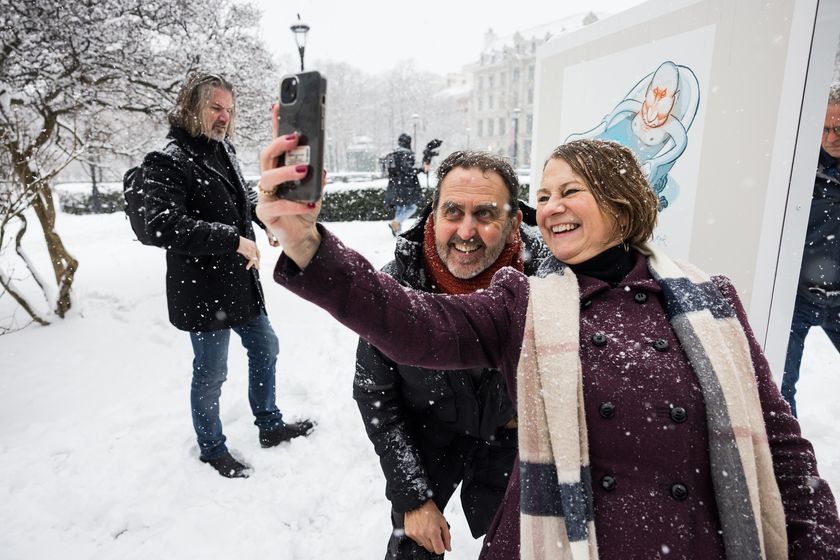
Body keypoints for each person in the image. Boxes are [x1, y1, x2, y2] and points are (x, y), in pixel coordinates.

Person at [258, 119, 840, 558]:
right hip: (551, 534)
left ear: (621, 200)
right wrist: (307, 244)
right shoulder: (526, 299)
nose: (551, 207)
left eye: (570, 191)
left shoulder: (710, 300)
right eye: (544, 196)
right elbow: (412, 326)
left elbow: (780, 447)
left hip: (688, 540)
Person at [355, 150, 550, 559]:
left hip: (511, 440)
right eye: (453, 212)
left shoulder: (550, 285)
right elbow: (375, 395)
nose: (465, 231)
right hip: (431, 428)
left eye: (484, 214)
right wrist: (412, 499)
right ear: (433, 215)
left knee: (525, 549)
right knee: (412, 548)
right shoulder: (397, 286)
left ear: (515, 221)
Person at [142, 72, 313, 479]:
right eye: (215, 108)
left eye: (229, 110)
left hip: (239, 283)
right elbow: (162, 224)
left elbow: (243, 199)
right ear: (191, 108)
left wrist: (266, 221)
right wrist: (232, 240)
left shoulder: (225, 150)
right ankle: (212, 447)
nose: (224, 117)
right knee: (212, 372)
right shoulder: (167, 159)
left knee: (265, 345)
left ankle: (269, 425)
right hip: (200, 290)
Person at [781, 83, 840, 417]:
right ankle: (787, 465)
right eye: (823, 128)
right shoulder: (797, 169)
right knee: (779, 387)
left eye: (839, 128)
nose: (830, 137)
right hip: (798, 299)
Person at [384, 133, 429, 236]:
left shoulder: (393, 153)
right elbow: (407, 169)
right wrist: (421, 169)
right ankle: (395, 223)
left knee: (400, 207)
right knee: (412, 208)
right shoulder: (406, 153)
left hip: (396, 185)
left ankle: (397, 230)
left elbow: (393, 170)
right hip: (406, 186)